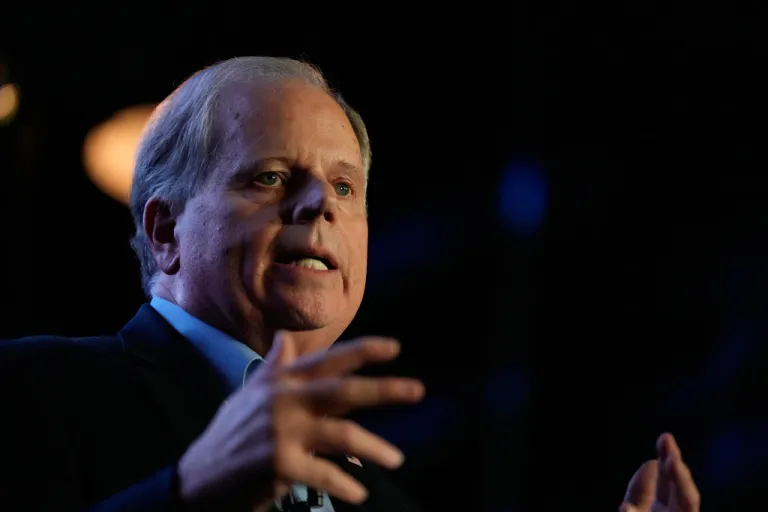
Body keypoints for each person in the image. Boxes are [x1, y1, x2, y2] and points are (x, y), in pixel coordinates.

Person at [0, 57, 701, 512]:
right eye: (270, 177)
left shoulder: (381, 498)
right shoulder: (33, 390)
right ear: (164, 232)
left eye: (344, 185)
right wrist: (194, 494)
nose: (322, 206)